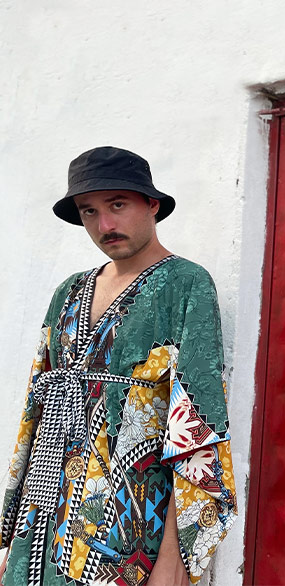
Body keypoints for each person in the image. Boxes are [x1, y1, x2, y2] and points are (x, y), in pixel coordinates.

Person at [0, 147, 237, 585]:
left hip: (124, 537)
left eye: (117, 205)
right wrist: (15, 541)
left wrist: (173, 563)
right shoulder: (68, 292)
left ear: (152, 205)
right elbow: (35, 414)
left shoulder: (185, 285)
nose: (104, 225)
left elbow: (199, 426)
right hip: (40, 531)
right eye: (89, 211)